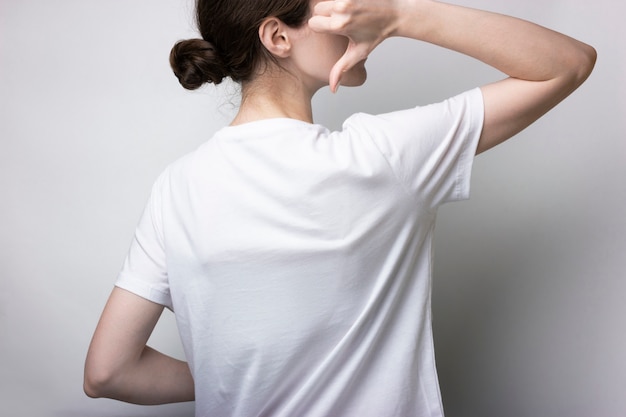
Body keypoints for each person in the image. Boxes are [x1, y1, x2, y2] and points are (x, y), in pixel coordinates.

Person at [84, 0, 596, 415]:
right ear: (277, 36)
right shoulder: (382, 156)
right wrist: (400, 15)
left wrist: (237, 376)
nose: (356, 15)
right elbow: (567, 64)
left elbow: (109, 370)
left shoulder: (177, 187)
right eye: (334, 7)